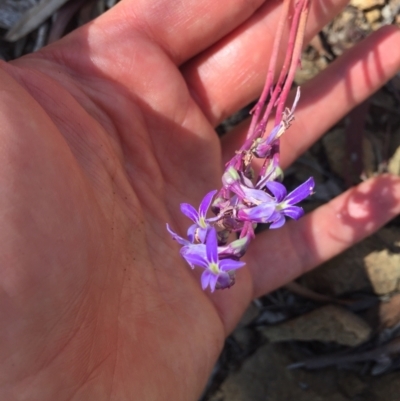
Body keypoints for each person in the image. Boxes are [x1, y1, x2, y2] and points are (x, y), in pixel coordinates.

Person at [0, 0, 399, 399]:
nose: (213, 263)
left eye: (212, 260)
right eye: (214, 260)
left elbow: (229, 220)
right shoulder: (224, 231)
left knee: (278, 100)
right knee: (275, 103)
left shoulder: (221, 224)